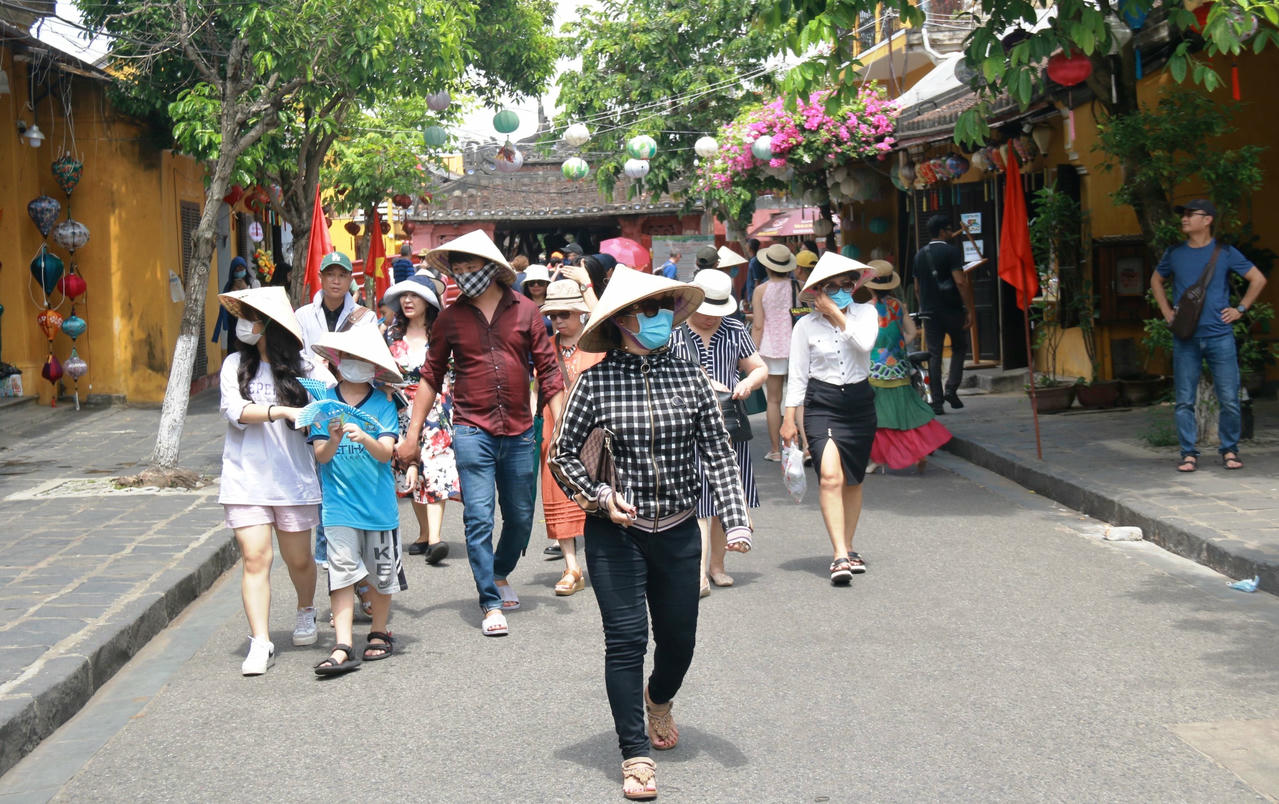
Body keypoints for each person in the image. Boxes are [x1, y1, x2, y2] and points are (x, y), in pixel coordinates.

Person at [548, 265, 751, 801]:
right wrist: (599, 498)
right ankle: (634, 753)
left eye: (664, 307)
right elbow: (561, 456)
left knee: (679, 641)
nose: (658, 317)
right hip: (616, 533)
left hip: (680, 530)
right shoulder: (595, 382)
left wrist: (735, 518)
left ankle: (658, 699)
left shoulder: (690, 377)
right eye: (647, 309)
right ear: (622, 321)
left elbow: (719, 452)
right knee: (626, 640)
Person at [398, 230, 565, 636]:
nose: (465, 275)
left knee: (521, 517)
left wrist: (560, 427)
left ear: (490, 269)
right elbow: (431, 376)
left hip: (521, 431)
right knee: (478, 517)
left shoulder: (526, 311)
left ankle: (499, 570)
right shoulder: (450, 318)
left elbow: (549, 371)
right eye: (458, 269)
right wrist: (413, 435)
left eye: (471, 267)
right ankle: (489, 600)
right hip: (471, 429)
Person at [216, 286, 321, 676]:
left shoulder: (306, 368)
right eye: (243, 317)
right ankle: (260, 641)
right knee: (255, 558)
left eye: (252, 318)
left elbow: (329, 403)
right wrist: (281, 411)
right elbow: (235, 409)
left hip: (293, 480)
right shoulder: (234, 365)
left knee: (299, 560)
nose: (244, 324)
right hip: (246, 479)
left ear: (272, 325)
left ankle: (306, 609)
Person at [308, 327, 405, 675]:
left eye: (363, 358)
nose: (355, 364)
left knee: (381, 575)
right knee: (342, 574)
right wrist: (334, 439)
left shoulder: (384, 402)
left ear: (374, 366)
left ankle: (378, 631)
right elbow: (321, 455)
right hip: (339, 507)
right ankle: (343, 644)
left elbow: (386, 453)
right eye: (349, 357)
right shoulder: (324, 404)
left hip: (378, 507)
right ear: (338, 360)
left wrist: (364, 437)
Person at [780, 252, 878, 585]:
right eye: (831, 286)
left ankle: (848, 546)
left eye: (846, 285)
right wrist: (789, 419)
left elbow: (864, 344)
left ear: (855, 286)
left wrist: (837, 314)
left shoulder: (866, 313)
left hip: (859, 404)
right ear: (818, 290)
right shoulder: (805, 325)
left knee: (853, 479)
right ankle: (839, 555)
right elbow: (797, 375)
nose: (840, 291)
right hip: (822, 404)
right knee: (830, 477)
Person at [1150, 199, 1266, 472]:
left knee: (1229, 399)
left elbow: (1258, 279)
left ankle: (1230, 450)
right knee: (1184, 401)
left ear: (1207, 220)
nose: (1184, 218)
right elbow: (1156, 280)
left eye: (1191, 214)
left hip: (1219, 336)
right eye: (1183, 214)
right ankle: (1188, 454)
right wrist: (1166, 311)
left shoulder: (1225, 252)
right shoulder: (1174, 253)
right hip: (1186, 337)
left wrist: (1240, 309)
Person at [671, 269, 767, 596]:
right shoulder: (674, 331)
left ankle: (717, 566)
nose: (711, 318)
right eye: (705, 310)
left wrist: (747, 383)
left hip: (728, 426)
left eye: (717, 311)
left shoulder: (734, 329)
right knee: (698, 502)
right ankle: (697, 573)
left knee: (725, 500)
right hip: (685, 426)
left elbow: (760, 368)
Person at [383, 274, 457, 564]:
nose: (408, 300)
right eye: (404, 296)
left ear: (428, 302)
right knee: (408, 468)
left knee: (435, 466)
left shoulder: (441, 333)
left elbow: (455, 372)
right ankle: (424, 533)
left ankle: (436, 538)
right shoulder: (391, 334)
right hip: (401, 408)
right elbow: (381, 371)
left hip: (437, 407)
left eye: (414, 295)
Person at [537, 280, 603, 594]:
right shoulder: (544, 346)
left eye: (565, 313)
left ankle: (603, 562)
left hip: (595, 432)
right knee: (558, 494)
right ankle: (571, 566)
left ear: (580, 312)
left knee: (598, 496)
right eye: (553, 315)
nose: (558, 320)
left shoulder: (599, 343)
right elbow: (534, 388)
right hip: (554, 428)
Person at [863, 260, 952, 474]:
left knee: (878, 415)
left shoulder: (866, 309)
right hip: (900, 367)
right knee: (905, 412)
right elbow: (911, 333)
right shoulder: (898, 305)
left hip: (876, 369)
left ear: (870, 286)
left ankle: (878, 458)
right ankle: (918, 452)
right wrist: (897, 346)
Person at [913, 215, 976, 415]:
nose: (951, 233)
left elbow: (916, 288)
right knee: (959, 347)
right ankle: (951, 387)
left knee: (934, 355)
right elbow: (960, 282)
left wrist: (924, 306)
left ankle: (937, 401)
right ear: (942, 231)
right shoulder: (951, 252)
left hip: (930, 312)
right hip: (952, 310)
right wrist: (969, 309)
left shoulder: (919, 255)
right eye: (949, 229)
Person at [750, 244, 799, 462]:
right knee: (798, 398)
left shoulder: (760, 291)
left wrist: (752, 352)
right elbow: (804, 314)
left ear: (767, 267)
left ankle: (776, 450)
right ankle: (806, 447)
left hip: (771, 348)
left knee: (773, 400)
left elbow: (758, 325)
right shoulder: (798, 286)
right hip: (796, 346)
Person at [295, 251, 377, 372]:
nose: (336, 281)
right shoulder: (302, 316)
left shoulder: (366, 318)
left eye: (342, 275)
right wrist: (315, 365)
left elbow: (371, 360)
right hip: (312, 382)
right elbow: (295, 356)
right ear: (320, 277)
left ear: (350, 280)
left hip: (351, 383)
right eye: (330, 274)